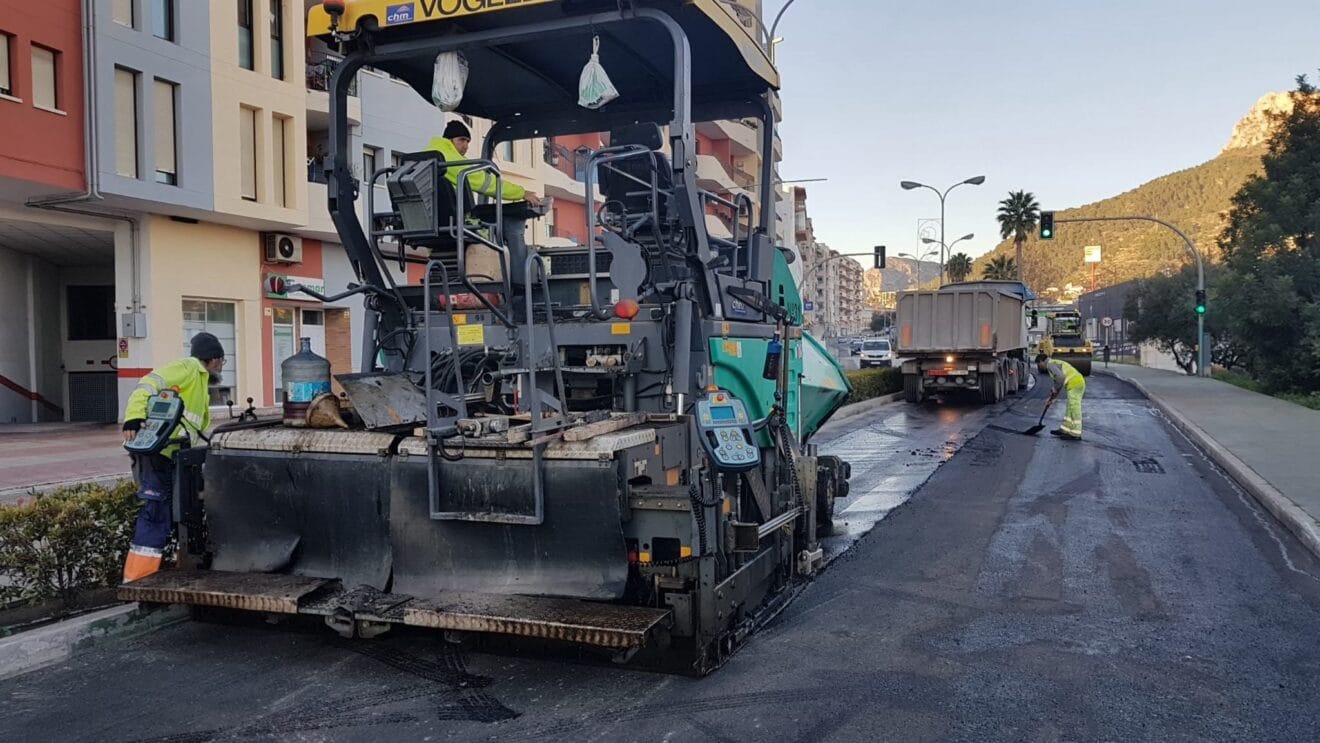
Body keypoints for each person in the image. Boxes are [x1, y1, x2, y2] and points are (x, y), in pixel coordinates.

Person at [120, 333, 226, 582]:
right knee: (157, 512)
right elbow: (148, 383)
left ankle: (184, 570)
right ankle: (137, 579)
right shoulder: (188, 368)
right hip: (160, 455)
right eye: (222, 361)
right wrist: (134, 416)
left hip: (178, 458)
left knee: (186, 512)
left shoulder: (200, 382)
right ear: (213, 359)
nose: (222, 367)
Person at [426, 119, 541, 207]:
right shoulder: (450, 159)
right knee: (485, 231)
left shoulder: (429, 154)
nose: (466, 146)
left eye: (468, 141)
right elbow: (485, 182)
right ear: (449, 140)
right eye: (461, 140)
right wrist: (521, 193)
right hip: (453, 219)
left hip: (432, 216)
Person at [1036, 352, 1085, 440]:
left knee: (1074, 407)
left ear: (1041, 361)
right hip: (1075, 383)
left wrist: (1055, 388)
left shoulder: (1050, 365)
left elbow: (1060, 378)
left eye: (1039, 364)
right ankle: (1065, 429)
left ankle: (1076, 433)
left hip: (1075, 384)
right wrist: (1052, 398)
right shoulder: (1053, 363)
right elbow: (1058, 383)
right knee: (1070, 407)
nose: (1039, 367)